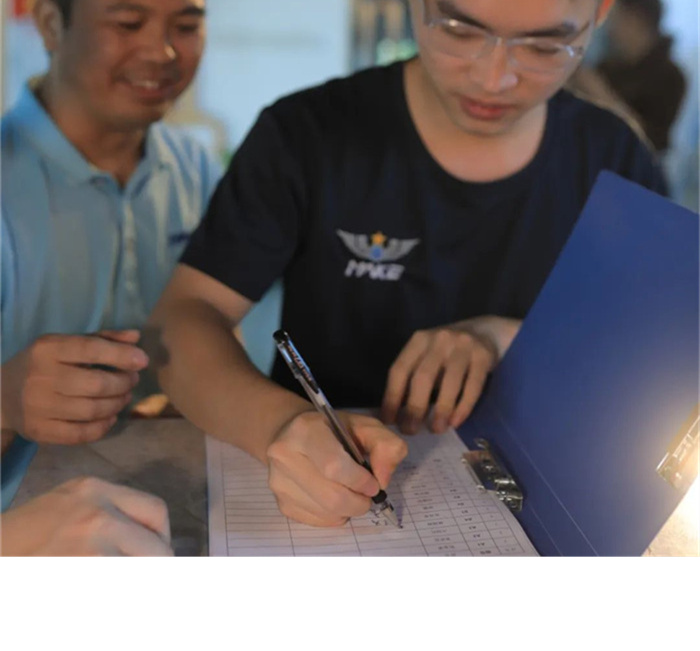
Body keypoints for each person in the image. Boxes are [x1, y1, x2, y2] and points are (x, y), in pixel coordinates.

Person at [149, 0, 668, 528]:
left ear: (599, 14)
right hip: (317, 499)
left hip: (545, 501)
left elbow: (654, 363)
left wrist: (506, 338)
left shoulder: (614, 161)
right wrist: (281, 425)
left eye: (543, 46)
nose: (494, 78)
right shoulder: (309, 135)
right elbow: (183, 321)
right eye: (460, 31)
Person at [1, 0, 218, 555]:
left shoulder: (197, 173)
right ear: (52, 23)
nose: (163, 51)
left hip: (191, 517)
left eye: (187, 25)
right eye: (127, 23)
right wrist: (5, 398)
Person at [595, 0, 686, 152]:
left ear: (636, 21)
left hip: (629, 171)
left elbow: (651, 141)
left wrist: (601, 94)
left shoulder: (671, 78)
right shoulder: (607, 67)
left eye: (616, 18)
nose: (610, 28)